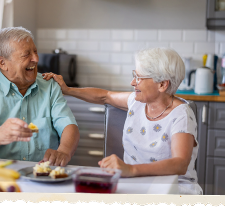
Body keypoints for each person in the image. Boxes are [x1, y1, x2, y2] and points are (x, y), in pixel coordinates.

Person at [43, 47, 203, 195]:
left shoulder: (181, 115)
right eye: (135, 75)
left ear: (162, 84)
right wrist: (67, 90)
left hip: (175, 188)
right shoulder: (137, 101)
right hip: (134, 184)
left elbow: (180, 164)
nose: (133, 83)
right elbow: (104, 96)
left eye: (139, 78)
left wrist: (131, 169)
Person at [0, 27, 80, 166]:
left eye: (35, 51)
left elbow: (69, 126)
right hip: (1, 178)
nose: (35, 59)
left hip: (43, 176)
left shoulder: (49, 86)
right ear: (2, 63)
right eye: (26, 54)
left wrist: (63, 151)